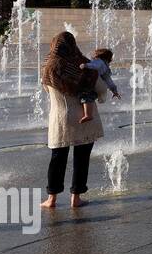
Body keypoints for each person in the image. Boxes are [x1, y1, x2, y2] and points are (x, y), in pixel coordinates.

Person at [40, 31, 104, 209]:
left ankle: (51, 199)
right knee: (82, 157)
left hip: (60, 118)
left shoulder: (47, 66)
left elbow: (46, 89)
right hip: (84, 118)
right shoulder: (84, 65)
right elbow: (100, 89)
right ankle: (76, 198)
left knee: (57, 158)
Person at [78, 48, 121, 124]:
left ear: (99, 55)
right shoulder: (106, 67)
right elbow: (109, 82)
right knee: (91, 96)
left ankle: (88, 115)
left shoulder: (99, 62)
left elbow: (95, 66)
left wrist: (85, 65)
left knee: (86, 96)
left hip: (96, 84)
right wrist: (114, 91)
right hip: (102, 86)